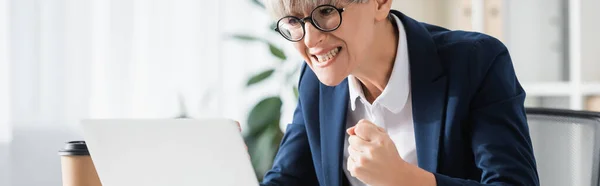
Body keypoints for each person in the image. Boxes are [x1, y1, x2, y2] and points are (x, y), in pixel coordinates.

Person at [258, 0, 540, 185]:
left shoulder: (476, 61)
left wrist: (403, 179)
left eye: (327, 12)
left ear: (380, 3)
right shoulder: (314, 81)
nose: (310, 40)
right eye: (294, 21)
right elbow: (288, 178)